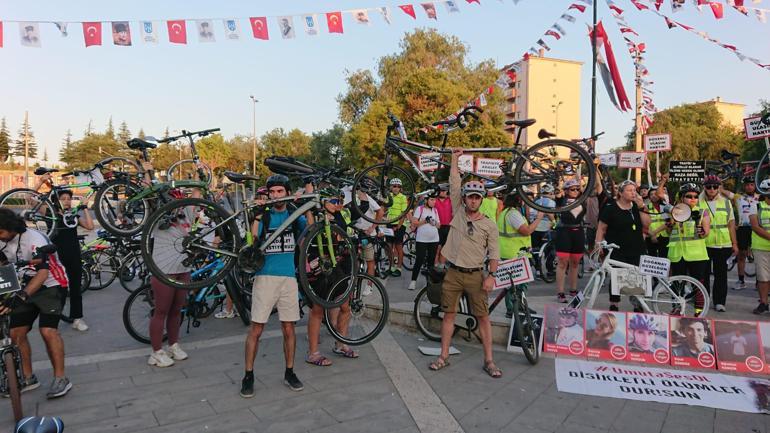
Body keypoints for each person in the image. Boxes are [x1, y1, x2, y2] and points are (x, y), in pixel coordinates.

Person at [429, 148, 501, 378]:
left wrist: (491, 276)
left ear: (481, 200)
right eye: (469, 196)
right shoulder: (458, 211)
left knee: (483, 317)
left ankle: (489, 360)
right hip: (453, 273)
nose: (472, 200)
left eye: (476, 197)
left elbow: (494, 253)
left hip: (476, 276)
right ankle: (443, 356)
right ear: (465, 198)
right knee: (448, 315)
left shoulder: (489, 224)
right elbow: (454, 182)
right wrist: (455, 159)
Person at [241, 174, 307, 397]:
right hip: (265, 277)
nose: (276, 195)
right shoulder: (266, 217)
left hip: (289, 278)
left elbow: (311, 231)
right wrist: (257, 217)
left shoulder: (293, 216)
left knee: (289, 328)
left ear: (287, 193)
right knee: (256, 329)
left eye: (280, 191)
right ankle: (248, 375)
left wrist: (307, 205)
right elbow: (252, 244)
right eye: (273, 192)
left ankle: (290, 371)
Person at [0, 208, 71, 398]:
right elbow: (3, 269)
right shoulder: (3, 241)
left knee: (47, 331)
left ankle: (61, 378)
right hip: (24, 285)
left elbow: (42, 273)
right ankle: (28, 378)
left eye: (0, 231)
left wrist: (21, 296)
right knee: (16, 333)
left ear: (10, 227)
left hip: (51, 284)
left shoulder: (35, 239)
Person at [306, 189, 359, 365]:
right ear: (322, 201)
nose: (338, 204)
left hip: (340, 265)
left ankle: (340, 343)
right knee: (318, 310)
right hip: (321, 266)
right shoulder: (315, 215)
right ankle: (313, 353)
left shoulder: (341, 216)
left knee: (345, 306)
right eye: (334, 201)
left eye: (340, 200)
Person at [146, 200, 193, 368]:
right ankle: (156, 352)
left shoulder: (185, 215)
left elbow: (196, 195)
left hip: (183, 267)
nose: (177, 205)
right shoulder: (158, 218)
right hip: (163, 270)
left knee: (177, 309)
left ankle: (173, 345)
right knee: (161, 311)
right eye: (172, 200)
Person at [594, 180, 651, 311]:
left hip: (636, 248)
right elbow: (601, 228)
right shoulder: (610, 208)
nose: (633, 193)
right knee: (616, 277)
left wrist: (642, 206)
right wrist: (598, 245)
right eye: (629, 190)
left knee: (637, 277)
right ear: (620, 193)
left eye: (634, 190)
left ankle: (637, 304)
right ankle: (614, 304)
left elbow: (647, 224)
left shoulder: (637, 206)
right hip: (616, 249)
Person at [664, 182, 711, 314]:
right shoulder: (673, 211)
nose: (693, 199)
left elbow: (706, 232)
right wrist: (670, 224)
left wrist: (702, 231)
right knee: (677, 285)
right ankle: (676, 310)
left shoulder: (702, 212)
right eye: (689, 196)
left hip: (697, 254)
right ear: (681, 198)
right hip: (677, 253)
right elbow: (668, 233)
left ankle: (698, 311)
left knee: (698, 285)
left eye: (695, 196)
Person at [497, 193, 544, 318]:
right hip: (515, 253)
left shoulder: (505, 212)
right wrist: (539, 218)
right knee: (517, 284)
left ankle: (516, 308)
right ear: (518, 201)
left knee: (513, 284)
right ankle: (514, 309)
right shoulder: (513, 214)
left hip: (510, 252)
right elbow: (526, 231)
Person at [700, 175, 738, 312]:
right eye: (708, 186)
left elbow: (731, 224)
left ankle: (719, 302)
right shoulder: (699, 202)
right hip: (704, 243)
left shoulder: (726, 203)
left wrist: (734, 243)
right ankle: (703, 300)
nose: (711, 189)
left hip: (723, 244)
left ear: (718, 188)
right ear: (704, 187)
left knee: (721, 274)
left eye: (714, 187)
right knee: (703, 274)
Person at [722, 176, 759, 291]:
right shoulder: (739, 197)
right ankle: (741, 280)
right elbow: (722, 191)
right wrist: (719, 180)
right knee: (741, 255)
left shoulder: (761, 197)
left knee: (758, 255)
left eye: (752, 184)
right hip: (743, 228)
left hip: (757, 228)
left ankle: (760, 282)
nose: (749, 186)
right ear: (744, 186)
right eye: (747, 184)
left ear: (755, 185)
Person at [554, 179, 586, 303]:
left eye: (577, 189)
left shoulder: (582, 199)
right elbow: (557, 195)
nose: (576, 191)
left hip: (578, 232)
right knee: (562, 262)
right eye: (572, 189)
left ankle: (573, 289)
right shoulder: (561, 200)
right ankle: (560, 292)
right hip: (564, 232)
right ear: (566, 191)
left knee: (575, 263)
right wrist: (558, 187)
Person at [407, 192, 441, 291]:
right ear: (426, 200)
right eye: (432, 200)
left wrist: (434, 222)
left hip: (434, 239)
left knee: (431, 261)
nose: (434, 202)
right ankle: (413, 281)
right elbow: (414, 222)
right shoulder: (420, 209)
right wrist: (425, 221)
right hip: (422, 239)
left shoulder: (435, 210)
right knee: (419, 259)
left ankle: (429, 283)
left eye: (435, 200)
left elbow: (439, 225)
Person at [749, 179, 770, 314]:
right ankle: (763, 303)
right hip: (761, 247)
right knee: (763, 277)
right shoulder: (755, 206)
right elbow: (755, 227)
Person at [385, 178, 408, 277]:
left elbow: (404, 213)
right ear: (391, 187)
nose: (396, 188)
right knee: (389, 247)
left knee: (398, 247)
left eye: (398, 187)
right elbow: (385, 208)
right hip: (389, 223)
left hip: (399, 224)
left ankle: (399, 267)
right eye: (394, 186)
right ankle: (391, 266)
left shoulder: (403, 197)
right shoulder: (388, 196)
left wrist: (398, 226)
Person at [645, 180, 671, 258]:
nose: (654, 196)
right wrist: (652, 235)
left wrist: (655, 233)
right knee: (651, 259)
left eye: (656, 193)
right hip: (650, 237)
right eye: (651, 194)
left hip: (664, 236)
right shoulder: (646, 207)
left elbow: (668, 222)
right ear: (649, 197)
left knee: (664, 259)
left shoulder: (665, 207)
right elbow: (644, 223)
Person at [434, 185, 452, 268]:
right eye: (441, 191)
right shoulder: (434, 200)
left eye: (445, 191)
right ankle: (435, 264)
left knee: (445, 248)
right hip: (438, 227)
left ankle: (442, 265)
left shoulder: (450, 200)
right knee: (437, 247)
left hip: (448, 226)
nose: (443, 192)